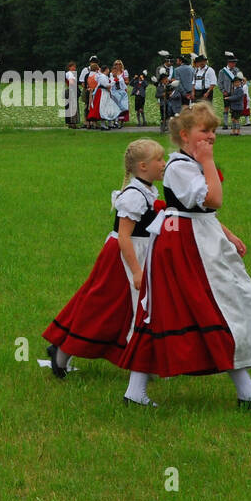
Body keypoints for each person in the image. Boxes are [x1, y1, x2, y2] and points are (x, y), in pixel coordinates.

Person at [116, 103, 251, 409]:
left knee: (214, 308)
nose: (211, 137)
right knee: (212, 308)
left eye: (213, 131)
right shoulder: (180, 167)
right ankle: (137, 391)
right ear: (185, 135)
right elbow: (213, 199)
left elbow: (201, 211)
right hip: (183, 248)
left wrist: (228, 234)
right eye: (204, 131)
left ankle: (245, 390)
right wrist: (208, 163)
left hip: (198, 240)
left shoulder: (188, 164)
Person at [44, 139, 166, 377]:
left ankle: (142, 362)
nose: (164, 163)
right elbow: (124, 237)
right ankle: (63, 352)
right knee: (101, 307)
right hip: (122, 257)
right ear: (143, 166)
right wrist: (136, 270)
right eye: (159, 160)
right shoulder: (134, 196)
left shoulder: (149, 190)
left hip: (137, 253)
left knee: (132, 308)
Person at [219, 52, 239, 128]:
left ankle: (234, 123)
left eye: (235, 63)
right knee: (226, 107)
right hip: (226, 92)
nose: (234, 64)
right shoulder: (222, 71)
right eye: (233, 62)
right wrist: (223, 91)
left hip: (235, 92)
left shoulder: (237, 70)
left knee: (234, 108)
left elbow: (239, 80)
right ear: (229, 63)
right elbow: (220, 82)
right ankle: (225, 123)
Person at [63, 61, 80, 128]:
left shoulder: (68, 73)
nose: (74, 68)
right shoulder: (70, 74)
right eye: (73, 67)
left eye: (75, 67)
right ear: (69, 67)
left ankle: (70, 123)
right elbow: (71, 82)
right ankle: (73, 123)